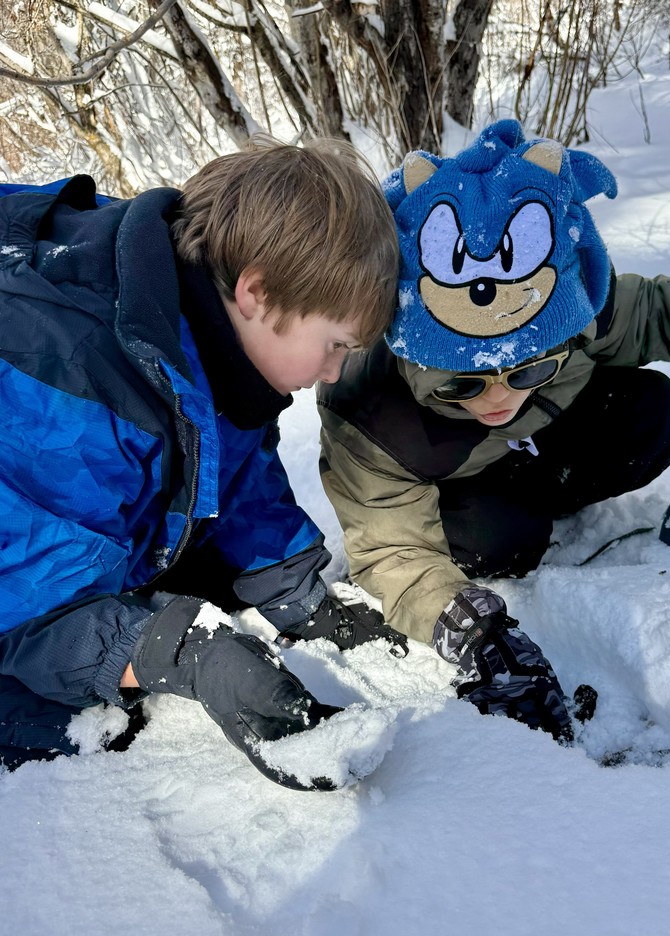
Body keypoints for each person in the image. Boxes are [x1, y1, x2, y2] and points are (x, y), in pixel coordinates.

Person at [316, 120, 670, 744]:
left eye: (526, 370)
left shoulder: (565, 304)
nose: (498, 396)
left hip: (540, 447)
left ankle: (543, 494)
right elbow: (391, 550)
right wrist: (472, 630)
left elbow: (658, 311)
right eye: (464, 383)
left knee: (655, 413)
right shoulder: (369, 408)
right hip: (456, 489)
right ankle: (512, 522)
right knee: (502, 538)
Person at [0, 135, 406, 783]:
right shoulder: (78, 387)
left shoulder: (200, 321)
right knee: (78, 718)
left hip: (55, 517)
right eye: (333, 344)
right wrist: (178, 654)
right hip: (18, 555)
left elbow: (235, 467)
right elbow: (24, 599)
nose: (332, 371)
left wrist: (301, 600)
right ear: (257, 292)